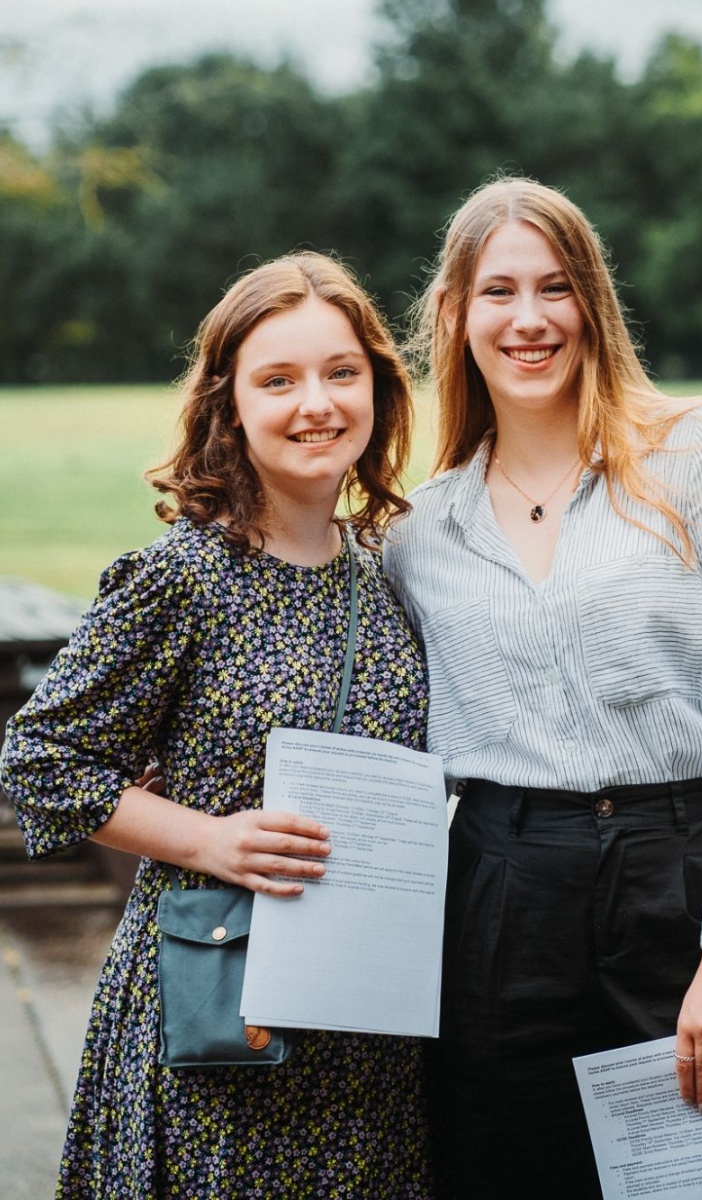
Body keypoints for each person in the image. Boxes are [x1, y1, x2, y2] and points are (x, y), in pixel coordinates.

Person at [384, 177, 702, 1199]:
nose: (529, 319)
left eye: (554, 287)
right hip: (499, 897)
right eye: (498, 292)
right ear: (453, 314)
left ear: (594, 302)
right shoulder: (419, 530)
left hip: (684, 878)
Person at [0, 252, 436, 1199]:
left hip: (364, 1037)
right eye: (277, 379)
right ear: (229, 405)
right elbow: (38, 759)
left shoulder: (388, 574)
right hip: (220, 1021)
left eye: (340, 372)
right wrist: (212, 840)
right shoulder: (183, 577)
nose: (315, 402)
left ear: (377, 388)